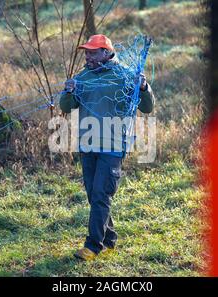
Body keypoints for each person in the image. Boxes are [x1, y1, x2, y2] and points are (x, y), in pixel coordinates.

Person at [59, 34, 155, 261]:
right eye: (86, 52)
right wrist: (69, 91)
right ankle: (109, 239)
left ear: (106, 52)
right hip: (87, 144)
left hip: (113, 146)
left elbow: (148, 107)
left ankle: (93, 246)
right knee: (94, 195)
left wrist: (143, 87)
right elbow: (66, 106)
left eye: (92, 52)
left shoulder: (125, 75)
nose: (88, 56)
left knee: (101, 194)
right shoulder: (83, 77)